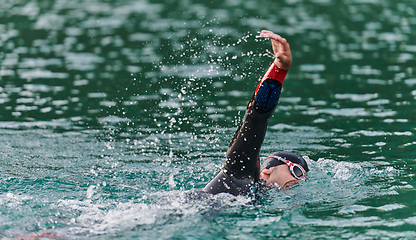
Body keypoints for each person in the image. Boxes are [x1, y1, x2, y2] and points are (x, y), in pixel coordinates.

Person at [203, 30, 309, 196]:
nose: (299, 181)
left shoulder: (258, 197)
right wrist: (280, 69)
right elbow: (256, 118)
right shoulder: (239, 173)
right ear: (267, 171)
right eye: (296, 172)